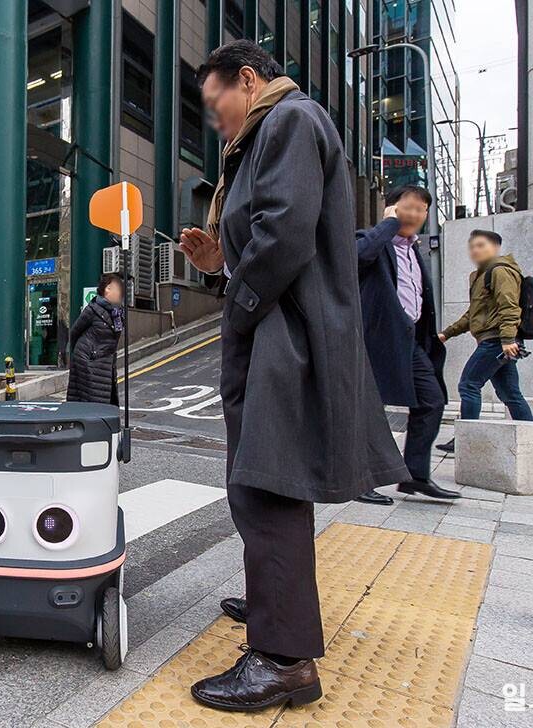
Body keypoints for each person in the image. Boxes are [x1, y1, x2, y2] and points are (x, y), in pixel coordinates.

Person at [176, 41, 407, 712]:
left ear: (246, 81)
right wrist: (221, 261)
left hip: (284, 336)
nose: (214, 120)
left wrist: (240, 308)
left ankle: (283, 660)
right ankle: (274, 606)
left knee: (266, 483)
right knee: (266, 479)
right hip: (280, 329)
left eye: (215, 102)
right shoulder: (272, 131)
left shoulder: (289, 122)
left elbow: (284, 237)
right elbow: (269, 236)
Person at [353, 186, 457, 505]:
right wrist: (386, 226)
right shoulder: (374, 240)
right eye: (407, 207)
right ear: (391, 209)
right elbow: (355, 258)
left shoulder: (415, 250)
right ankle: (359, 479)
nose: (414, 215)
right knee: (369, 410)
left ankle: (415, 475)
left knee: (432, 400)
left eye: (421, 210)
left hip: (411, 343)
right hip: (376, 340)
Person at [437, 229, 533, 453]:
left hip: (497, 341)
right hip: (496, 340)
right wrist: (446, 334)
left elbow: (509, 307)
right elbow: (473, 314)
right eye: (472, 246)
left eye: (481, 245)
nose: (475, 250)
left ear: (496, 247)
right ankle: (530, 439)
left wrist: (508, 339)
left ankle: (465, 441)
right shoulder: (481, 276)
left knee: (469, 384)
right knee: (510, 393)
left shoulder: (500, 271)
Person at [66, 272, 124, 404]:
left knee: (104, 398)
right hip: (88, 359)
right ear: (106, 290)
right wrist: (82, 355)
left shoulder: (118, 313)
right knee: (93, 399)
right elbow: (75, 331)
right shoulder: (93, 309)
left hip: (106, 360)